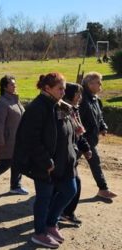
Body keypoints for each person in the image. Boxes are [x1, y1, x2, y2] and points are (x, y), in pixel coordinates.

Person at [14, 73, 78, 248]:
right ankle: (39, 233)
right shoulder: (37, 107)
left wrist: (74, 148)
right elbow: (30, 139)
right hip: (45, 164)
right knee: (44, 198)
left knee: (69, 190)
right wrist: (46, 162)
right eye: (60, 88)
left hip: (64, 161)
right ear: (47, 88)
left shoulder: (59, 105)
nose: (64, 92)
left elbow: (66, 132)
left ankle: (51, 224)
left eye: (64, 88)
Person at [0, 75, 28, 195]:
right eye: (12, 84)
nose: (15, 86)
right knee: (6, 162)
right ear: (4, 87)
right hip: (8, 139)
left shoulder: (15, 99)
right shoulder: (2, 102)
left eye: (15, 84)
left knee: (17, 162)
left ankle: (15, 186)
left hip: (18, 138)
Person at [79, 72, 117, 199]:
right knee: (71, 164)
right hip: (80, 139)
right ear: (89, 84)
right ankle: (103, 189)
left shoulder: (95, 99)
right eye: (98, 82)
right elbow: (76, 119)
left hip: (90, 139)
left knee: (92, 163)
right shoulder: (81, 99)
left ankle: (103, 189)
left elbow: (99, 117)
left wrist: (103, 127)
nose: (101, 84)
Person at [59, 82, 92, 226]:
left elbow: (79, 134)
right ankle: (62, 214)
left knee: (71, 184)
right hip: (62, 155)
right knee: (73, 184)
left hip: (72, 154)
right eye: (77, 93)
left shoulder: (74, 110)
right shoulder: (62, 110)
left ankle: (64, 213)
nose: (80, 97)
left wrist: (85, 148)